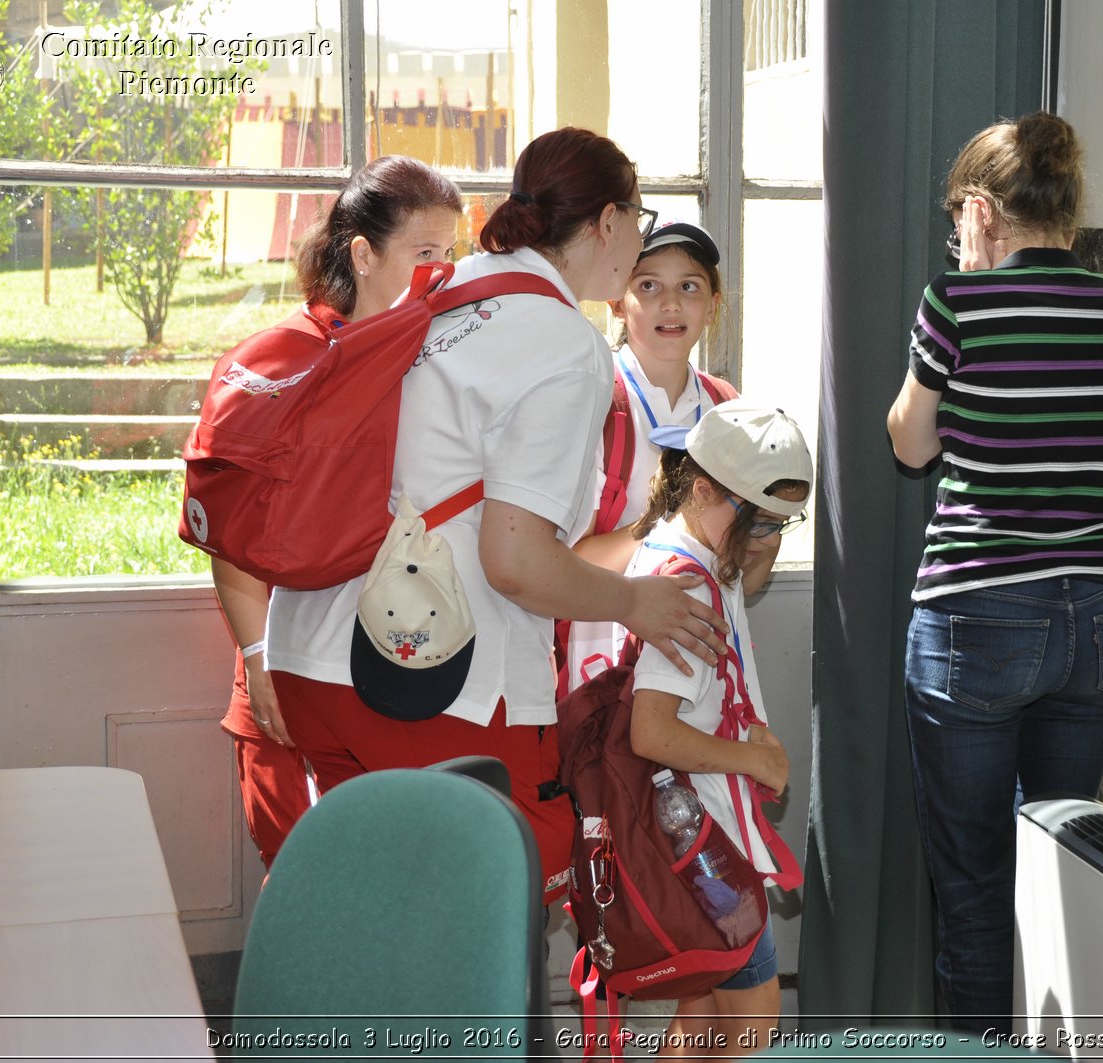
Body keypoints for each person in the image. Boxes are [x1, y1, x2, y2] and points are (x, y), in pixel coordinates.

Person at [262, 127, 728, 902]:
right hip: (426, 667)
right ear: (609, 222)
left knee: (374, 903)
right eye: (639, 223)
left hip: (314, 646)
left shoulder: (447, 285)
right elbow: (513, 559)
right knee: (480, 902)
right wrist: (634, 603)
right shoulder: (562, 341)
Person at [885, 111, 1103, 1035]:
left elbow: (909, 444)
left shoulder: (958, 301)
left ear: (980, 211)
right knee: (1061, 867)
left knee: (972, 884)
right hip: (1094, 618)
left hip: (979, 614)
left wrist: (965, 281)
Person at [210, 154, 463, 869]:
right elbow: (228, 533)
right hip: (286, 673)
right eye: (423, 253)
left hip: (383, 675)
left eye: (450, 252)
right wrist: (261, 665)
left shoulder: (431, 354)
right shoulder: (291, 358)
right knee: (304, 888)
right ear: (363, 252)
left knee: (383, 884)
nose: (440, 270)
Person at [621, 402, 810, 1059]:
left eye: (783, 523)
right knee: (754, 1022)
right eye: (758, 518)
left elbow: (741, 571)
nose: (766, 538)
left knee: (700, 1010)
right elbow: (652, 731)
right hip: (706, 848)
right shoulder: (687, 589)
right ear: (702, 488)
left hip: (689, 833)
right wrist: (753, 760)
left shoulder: (683, 544)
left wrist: (754, 538)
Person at [565, 221, 774, 694]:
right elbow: (564, 564)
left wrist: (765, 536)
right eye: (648, 285)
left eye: (689, 287)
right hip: (606, 665)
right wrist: (665, 523)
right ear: (617, 302)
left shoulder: (726, 408)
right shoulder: (594, 401)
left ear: (713, 305)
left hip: (705, 660)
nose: (671, 303)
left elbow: (744, 577)